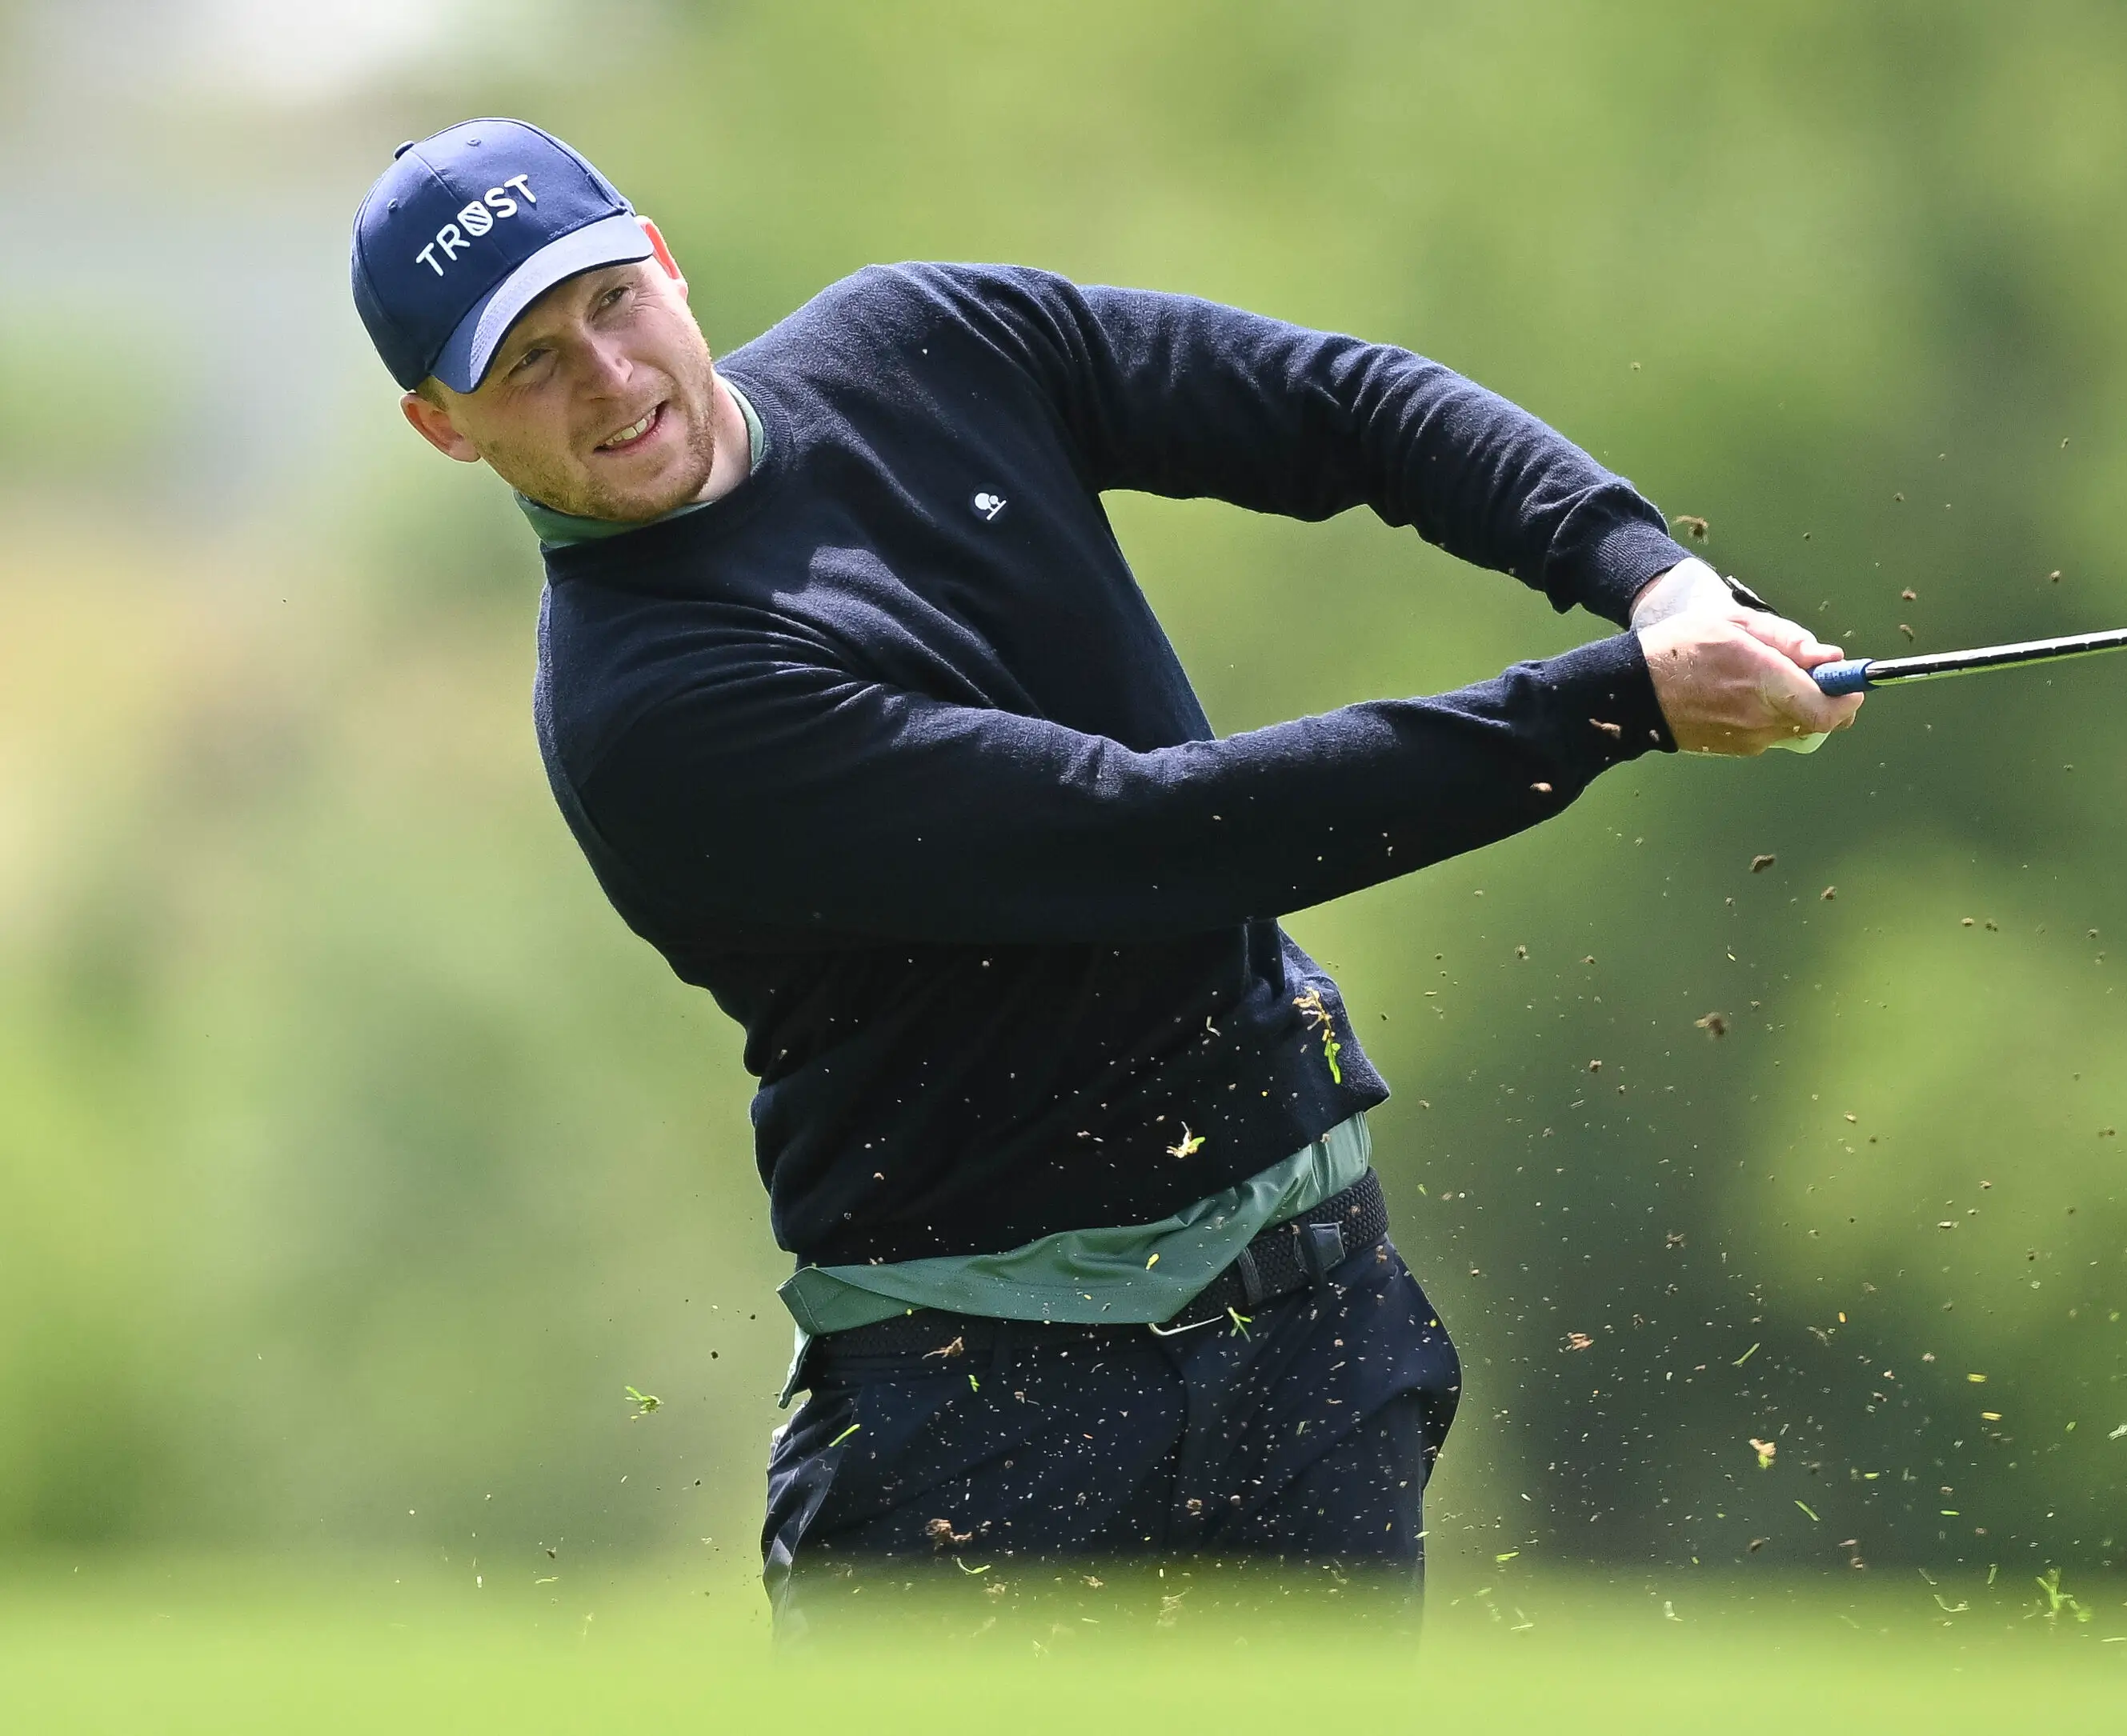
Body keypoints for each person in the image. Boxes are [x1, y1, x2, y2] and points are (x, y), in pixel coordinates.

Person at [348, 118, 1861, 1626]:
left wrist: (1652, 576)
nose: (608, 377)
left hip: (1306, 1335)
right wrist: (1619, 703)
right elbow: (1156, 838)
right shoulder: (656, 714)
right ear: (445, 425)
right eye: (529, 361)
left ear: (665, 261)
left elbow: (1341, 407)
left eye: (610, 301)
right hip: (979, 1428)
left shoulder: (923, 342)